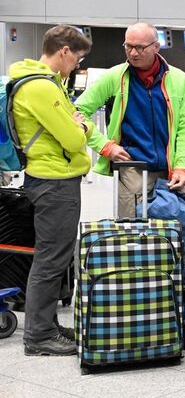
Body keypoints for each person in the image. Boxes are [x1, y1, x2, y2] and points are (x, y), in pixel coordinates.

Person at [10, 25, 93, 357]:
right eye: (78, 58)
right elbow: (74, 138)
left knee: (54, 258)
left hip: (49, 178)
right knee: (50, 260)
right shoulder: (42, 88)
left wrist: (76, 123)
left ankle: (46, 325)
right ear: (64, 51)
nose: (77, 65)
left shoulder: (38, 82)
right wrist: (83, 126)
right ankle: (39, 336)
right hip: (54, 182)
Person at [77, 22, 185, 217]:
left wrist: (181, 165)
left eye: (140, 47)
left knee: (176, 230)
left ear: (156, 47)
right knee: (132, 232)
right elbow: (78, 111)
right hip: (132, 168)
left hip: (170, 170)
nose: (133, 53)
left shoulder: (178, 79)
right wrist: (105, 146)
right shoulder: (114, 77)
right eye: (128, 46)